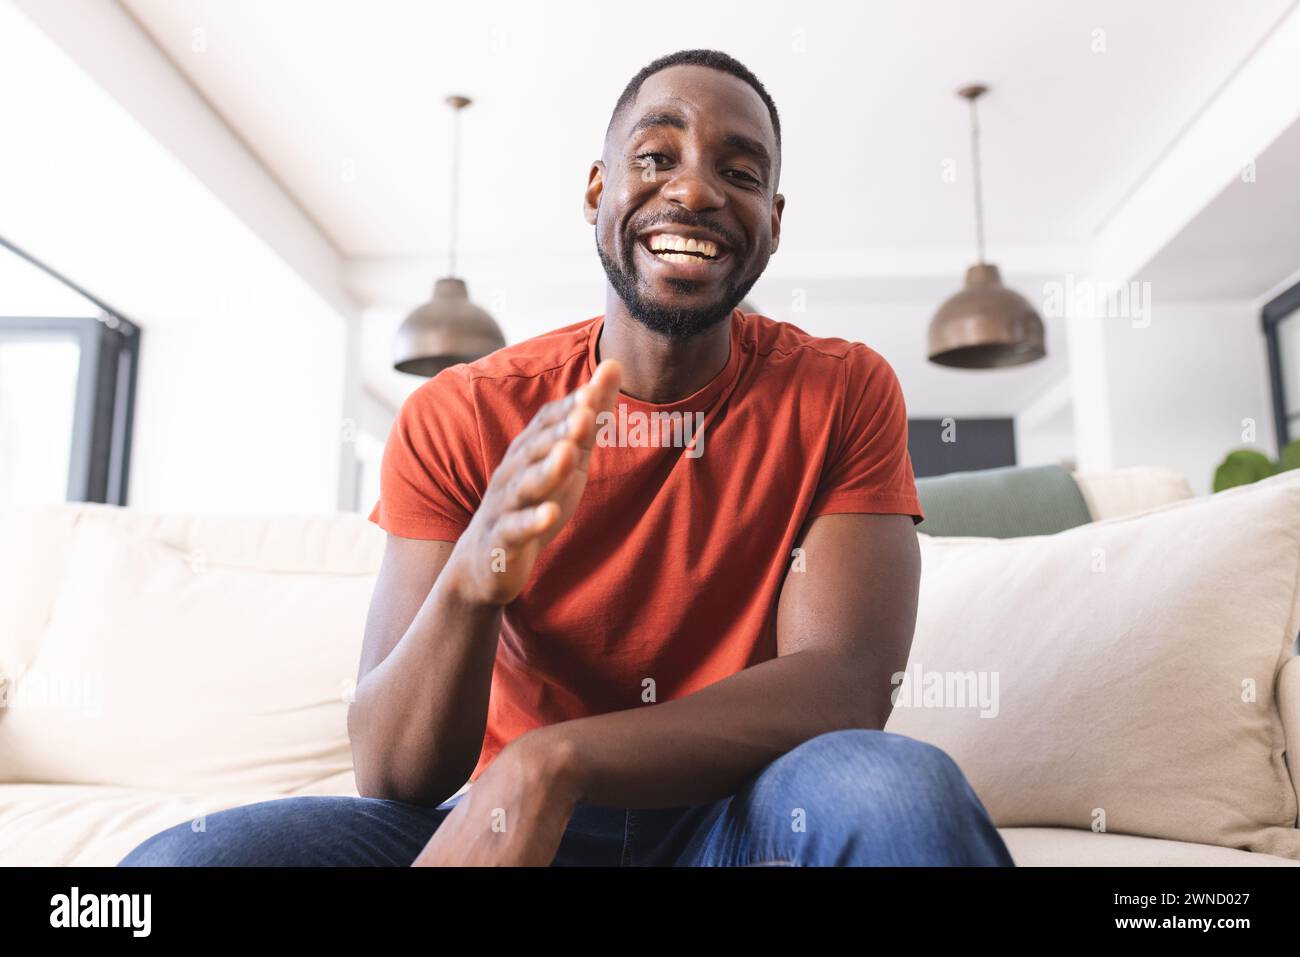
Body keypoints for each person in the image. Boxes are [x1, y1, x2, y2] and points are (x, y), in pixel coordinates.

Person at [120, 48, 1013, 867]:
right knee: (179, 865)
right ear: (597, 192)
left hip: (733, 820)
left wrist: (556, 759)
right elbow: (395, 774)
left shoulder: (843, 389)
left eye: (738, 172)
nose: (695, 192)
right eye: (656, 157)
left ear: (772, 223)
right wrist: (477, 570)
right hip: (516, 831)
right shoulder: (461, 412)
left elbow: (847, 684)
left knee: (899, 792)